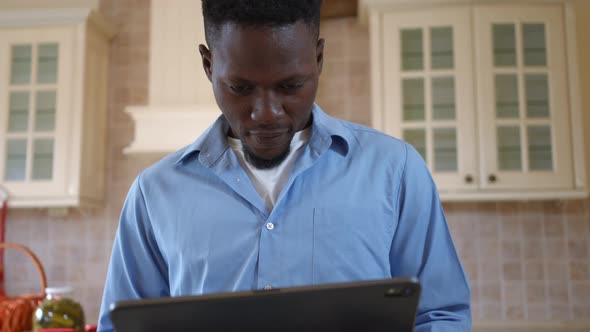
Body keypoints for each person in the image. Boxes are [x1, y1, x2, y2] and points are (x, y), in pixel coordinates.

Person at [97, 0, 471, 331]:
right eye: (241, 88)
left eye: (290, 86)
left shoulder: (396, 171)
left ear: (319, 60)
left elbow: (440, 314)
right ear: (209, 66)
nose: (266, 113)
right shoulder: (153, 194)